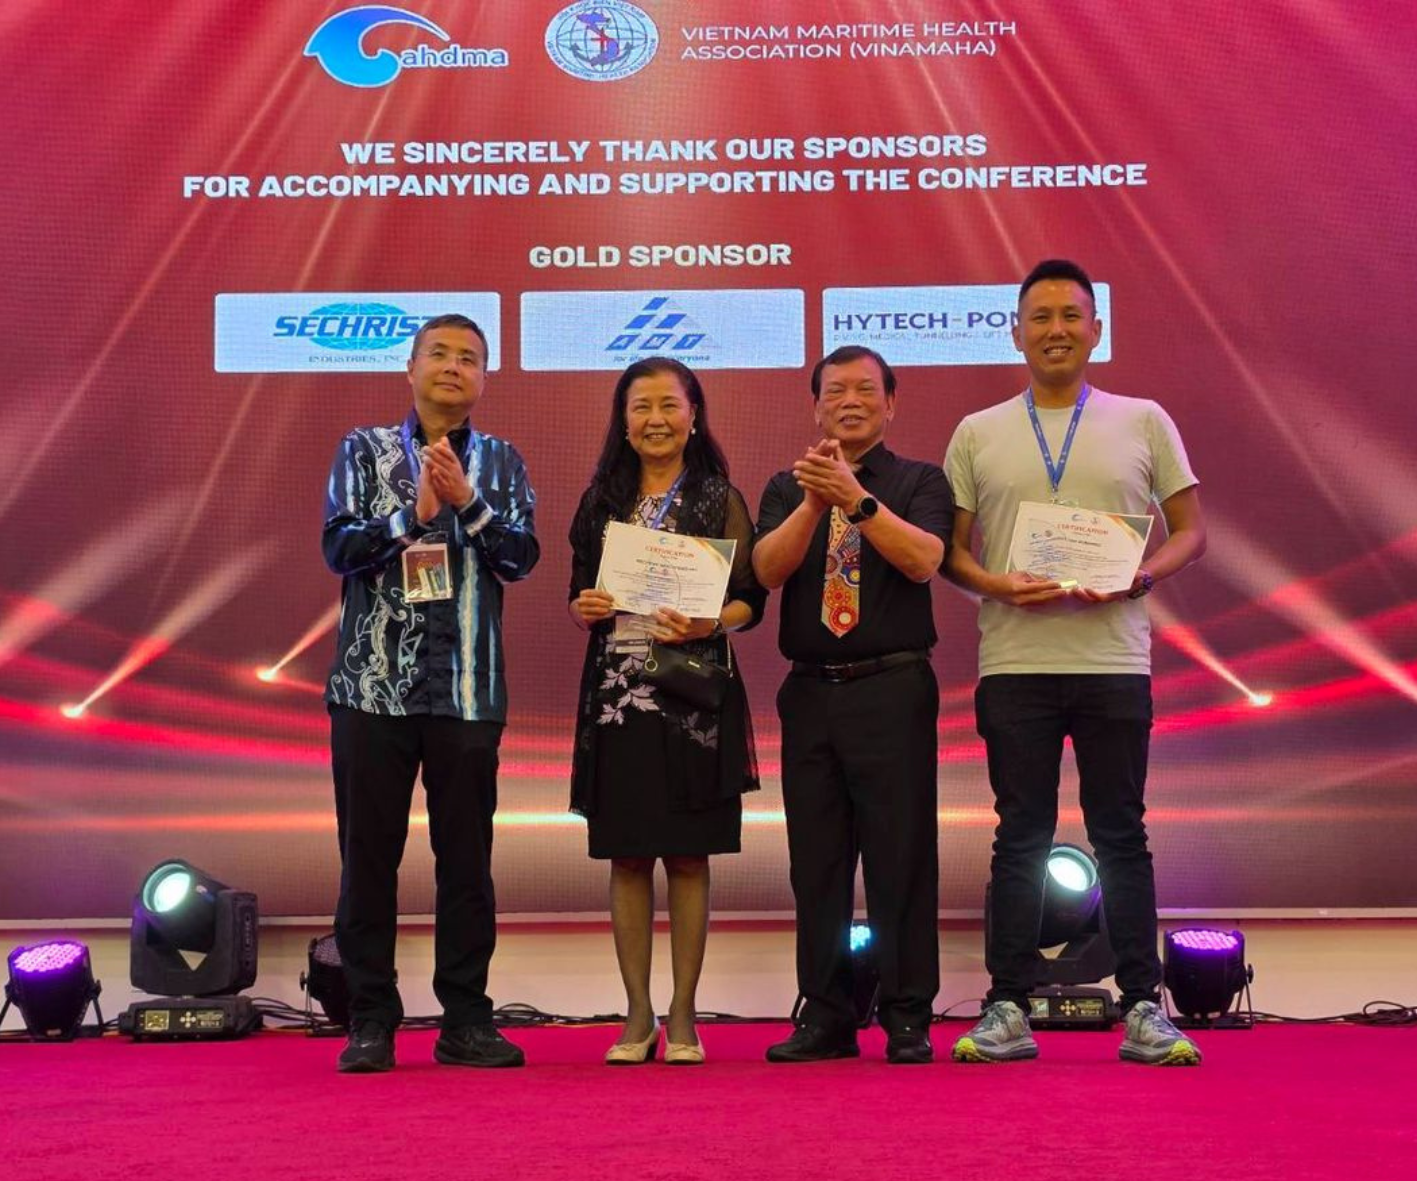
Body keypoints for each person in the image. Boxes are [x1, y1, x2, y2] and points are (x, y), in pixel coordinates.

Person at [943, 259, 1207, 1066]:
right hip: (1014, 660)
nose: (1055, 329)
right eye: (1040, 316)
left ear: (1095, 329)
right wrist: (998, 584)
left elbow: (1191, 531)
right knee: (1018, 837)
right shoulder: (977, 430)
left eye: (1069, 315)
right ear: (1015, 332)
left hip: (1113, 658)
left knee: (1120, 833)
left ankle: (1143, 1006)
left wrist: (1141, 577)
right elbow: (952, 554)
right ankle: (1006, 1006)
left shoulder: (1143, 420)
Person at [322, 313, 539, 1073]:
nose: (453, 367)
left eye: (469, 358)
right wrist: (410, 515)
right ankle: (370, 1020)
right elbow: (338, 547)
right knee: (367, 861)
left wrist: (467, 502)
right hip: (371, 689)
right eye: (438, 354)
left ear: (483, 377)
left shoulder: (503, 461)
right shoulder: (364, 449)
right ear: (409, 369)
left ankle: (467, 1020)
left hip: (468, 691)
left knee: (467, 864)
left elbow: (522, 558)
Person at [753, 345, 953, 1065]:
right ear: (815, 407)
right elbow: (764, 570)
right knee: (817, 863)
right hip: (810, 691)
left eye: (866, 389)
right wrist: (816, 501)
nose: (850, 401)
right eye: (834, 390)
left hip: (891, 688)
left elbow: (923, 560)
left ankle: (906, 1013)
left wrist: (855, 499)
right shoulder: (786, 486)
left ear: (890, 404)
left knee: (901, 856)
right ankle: (826, 1013)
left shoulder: (920, 480)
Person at [568, 357, 765, 1066]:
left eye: (668, 405)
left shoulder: (717, 498)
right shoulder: (601, 500)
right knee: (626, 856)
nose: (655, 420)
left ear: (693, 415)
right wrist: (586, 605)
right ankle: (637, 1014)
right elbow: (579, 597)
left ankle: (683, 1013)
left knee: (687, 855)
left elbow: (750, 600)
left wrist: (710, 622)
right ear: (623, 421)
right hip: (619, 698)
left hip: (692, 700)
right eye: (640, 407)